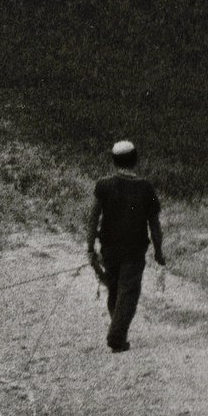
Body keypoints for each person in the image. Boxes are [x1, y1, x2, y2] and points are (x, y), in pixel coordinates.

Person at [86, 138, 164, 352]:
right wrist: (158, 251)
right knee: (128, 293)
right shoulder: (146, 188)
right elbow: (154, 224)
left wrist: (90, 247)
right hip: (134, 250)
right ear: (135, 160)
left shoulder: (103, 185)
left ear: (113, 161)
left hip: (109, 250)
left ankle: (118, 332)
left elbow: (93, 218)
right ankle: (117, 336)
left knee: (114, 290)